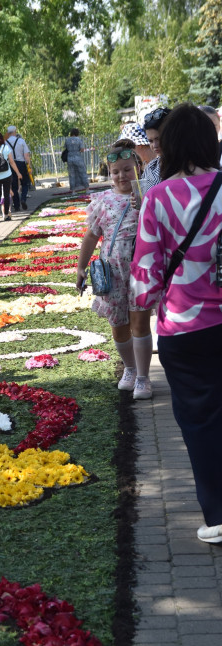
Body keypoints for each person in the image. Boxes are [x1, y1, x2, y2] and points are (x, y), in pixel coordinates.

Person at [131, 103, 222, 543]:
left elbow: (145, 277)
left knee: (202, 421)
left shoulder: (160, 197)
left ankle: (218, 515)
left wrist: (142, 308)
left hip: (185, 329)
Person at [76, 141, 153, 399]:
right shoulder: (104, 201)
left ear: (139, 169)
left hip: (141, 270)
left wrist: (143, 205)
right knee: (119, 324)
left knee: (140, 322)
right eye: (116, 171)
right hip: (113, 272)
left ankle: (143, 378)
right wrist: (80, 268)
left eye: (128, 170)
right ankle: (129, 369)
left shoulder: (149, 196)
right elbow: (90, 237)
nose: (122, 176)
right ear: (109, 174)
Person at [0, 131, 22, 221]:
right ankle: (6, 215)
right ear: (1, 139)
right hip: (7, 175)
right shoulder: (6, 148)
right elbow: (12, 162)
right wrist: (18, 173)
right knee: (6, 195)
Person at [139, 107, 171, 195]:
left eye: (159, 139)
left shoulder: (185, 166)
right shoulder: (151, 168)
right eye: (150, 141)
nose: (155, 145)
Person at [6, 125, 32, 211]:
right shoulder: (21, 141)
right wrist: (29, 166)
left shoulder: (5, 143)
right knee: (25, 183)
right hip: (21, 164)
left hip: (11, 165)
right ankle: (23, 199)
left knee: (14, 186)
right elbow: (26, 155)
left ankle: (16, 206)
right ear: (14, 132)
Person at [64, 128, 90, 195]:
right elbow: (82, 149)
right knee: (83, 172)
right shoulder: (79, 139)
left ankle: (73, 191)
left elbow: (66, 148)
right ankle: (87, 189)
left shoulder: (67, 140)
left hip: (69, 158)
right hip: (78, 157)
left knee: (72, 174)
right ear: (77, 133)